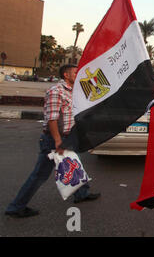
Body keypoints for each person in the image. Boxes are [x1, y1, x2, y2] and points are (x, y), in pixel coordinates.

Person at [5, 65, 100, 218]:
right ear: (66, 74)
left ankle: (82, 193)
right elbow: (52, 118)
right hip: (55, 139)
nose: (78, 74)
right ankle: (16, 207)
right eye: (75, 72)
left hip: (68, 137)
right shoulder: (56, 91)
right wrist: (57, 141)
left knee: (76, 165)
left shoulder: (74, 91)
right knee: (40, 175)